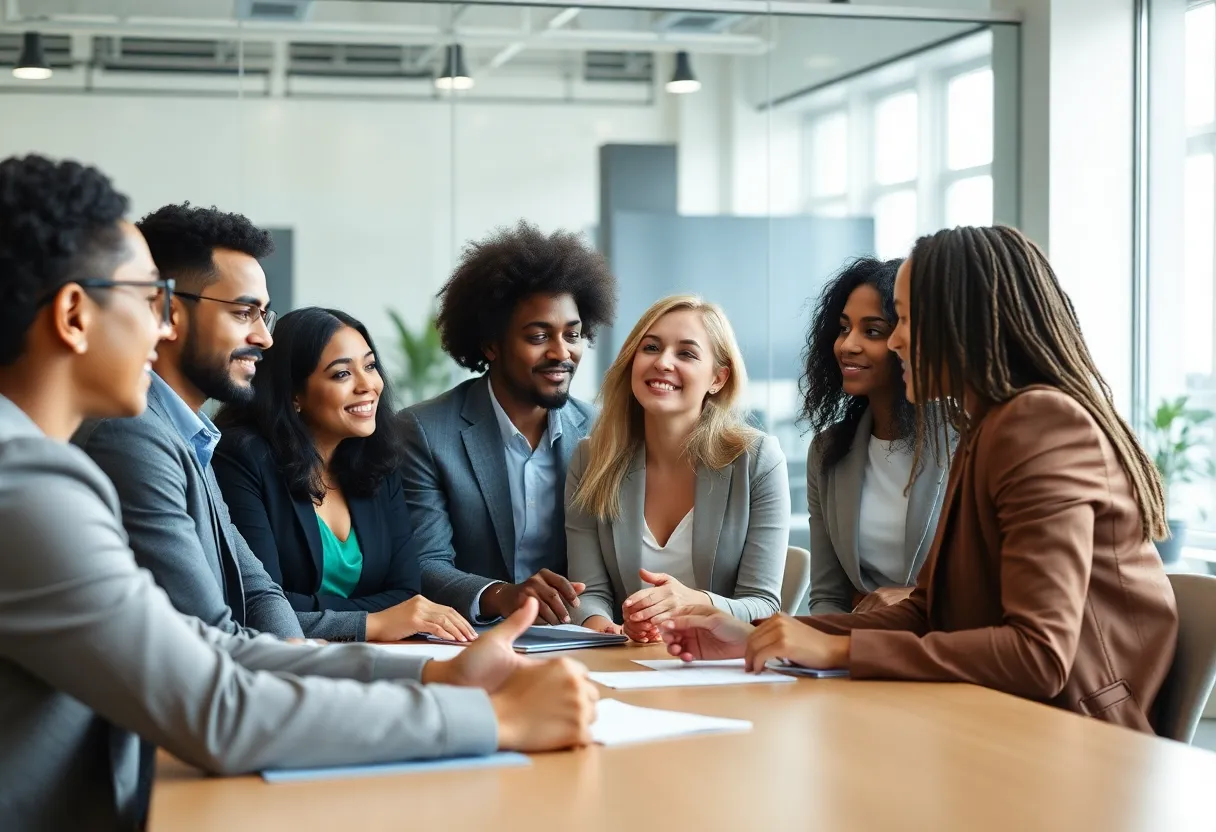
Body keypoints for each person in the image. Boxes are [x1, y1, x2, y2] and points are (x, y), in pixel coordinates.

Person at [0, 155, 598, 831]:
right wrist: (494, 718)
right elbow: (215, 704)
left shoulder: (75, 460)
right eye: (149, 301)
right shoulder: (25, 483)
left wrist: (431, 678)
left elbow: (208, 644)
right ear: (76, 315)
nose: (163, 327)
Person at [660, 225, 1179, 735]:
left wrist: (840, 649)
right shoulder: (988, 427)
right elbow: (931, 612)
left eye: (904, 320)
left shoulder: (1038, 423)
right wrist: (761, 634)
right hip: (996, 721)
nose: (899, 340)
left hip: (1078, 740)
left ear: (964, 322)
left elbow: (1039, 656)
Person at [71, 204, 417, 642]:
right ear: (169, 313)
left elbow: (258, 593)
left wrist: (295, 658)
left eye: (263, 315)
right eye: (243, 313)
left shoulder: (192, 434)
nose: (264, 338)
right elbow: (212, 635)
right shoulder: (133, 436)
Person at [212, 307, 476, 642]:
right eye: (341, 374)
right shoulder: (243, 458)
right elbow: (259, 605)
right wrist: (373, 622)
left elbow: (405, 593)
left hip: (376, 657)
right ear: (294, 394)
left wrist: (317, 612)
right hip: (279, 665)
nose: (368, 385)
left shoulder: (377, 458)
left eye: (369, 366)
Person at [401, 220, 618, 625]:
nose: (561, 353)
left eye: (572, 335)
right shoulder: (426, 431)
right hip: (467, 637)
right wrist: (502, 596)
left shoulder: (602, 432)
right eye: (538, 337)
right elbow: (425, 563)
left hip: (579, 636)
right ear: (490, 344)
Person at [566, 295, 789, 642]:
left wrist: (695, 603)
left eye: (686, 353)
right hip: (629, 663)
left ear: (718, 378)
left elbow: (763, 604)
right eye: (651, 347)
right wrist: (607, 628)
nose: (663, 363)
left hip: (723, 669)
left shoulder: (757, 459)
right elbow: (588, 592)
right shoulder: (591, 459)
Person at [800, 257, 949, 615]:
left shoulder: (967, 442)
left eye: (873, 331)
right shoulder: (828, 452)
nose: (847, 345)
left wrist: (912, 600)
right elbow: (828, 597)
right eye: (843, 328)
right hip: (861, 650)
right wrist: (819, 655)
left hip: (948, 650)